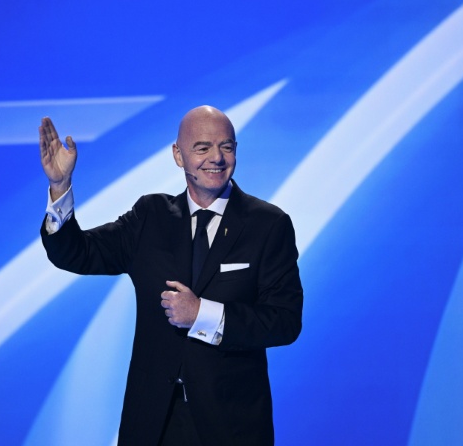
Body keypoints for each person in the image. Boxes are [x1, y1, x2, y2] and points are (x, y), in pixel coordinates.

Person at [38, 106, 303, 445]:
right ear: (178, 155)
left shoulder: (268, 224)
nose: (217, 158)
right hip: (152, 425)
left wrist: (202, 314)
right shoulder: (150, 217)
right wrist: (60, 186)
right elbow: (76, 253)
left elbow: (284, 321)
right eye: (203, 147)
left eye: (226, 147)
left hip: (231, 426)